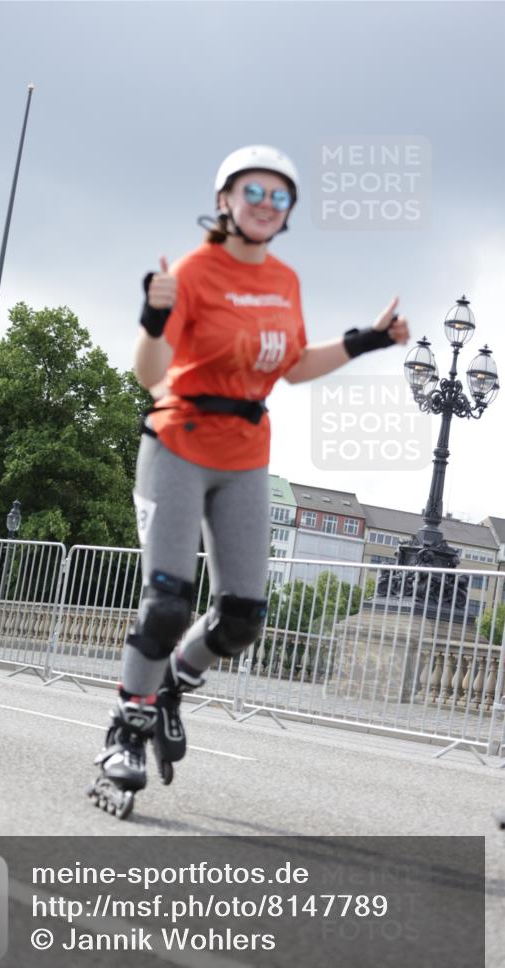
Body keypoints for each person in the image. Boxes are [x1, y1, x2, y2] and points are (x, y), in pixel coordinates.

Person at [88, 145, 410, 819]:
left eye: (279, 196)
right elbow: (151, 372)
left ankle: (175, 680)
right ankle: (126, 731)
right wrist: (152, 317)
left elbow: (291, 366)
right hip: (177, 442)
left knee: (241, 618)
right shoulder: (194, 272)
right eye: (253, 192)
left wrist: (368, 341)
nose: (266, 205)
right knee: (168, 600)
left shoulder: (285, 281)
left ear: (287, 212)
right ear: (225, 200)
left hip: (244, 455)